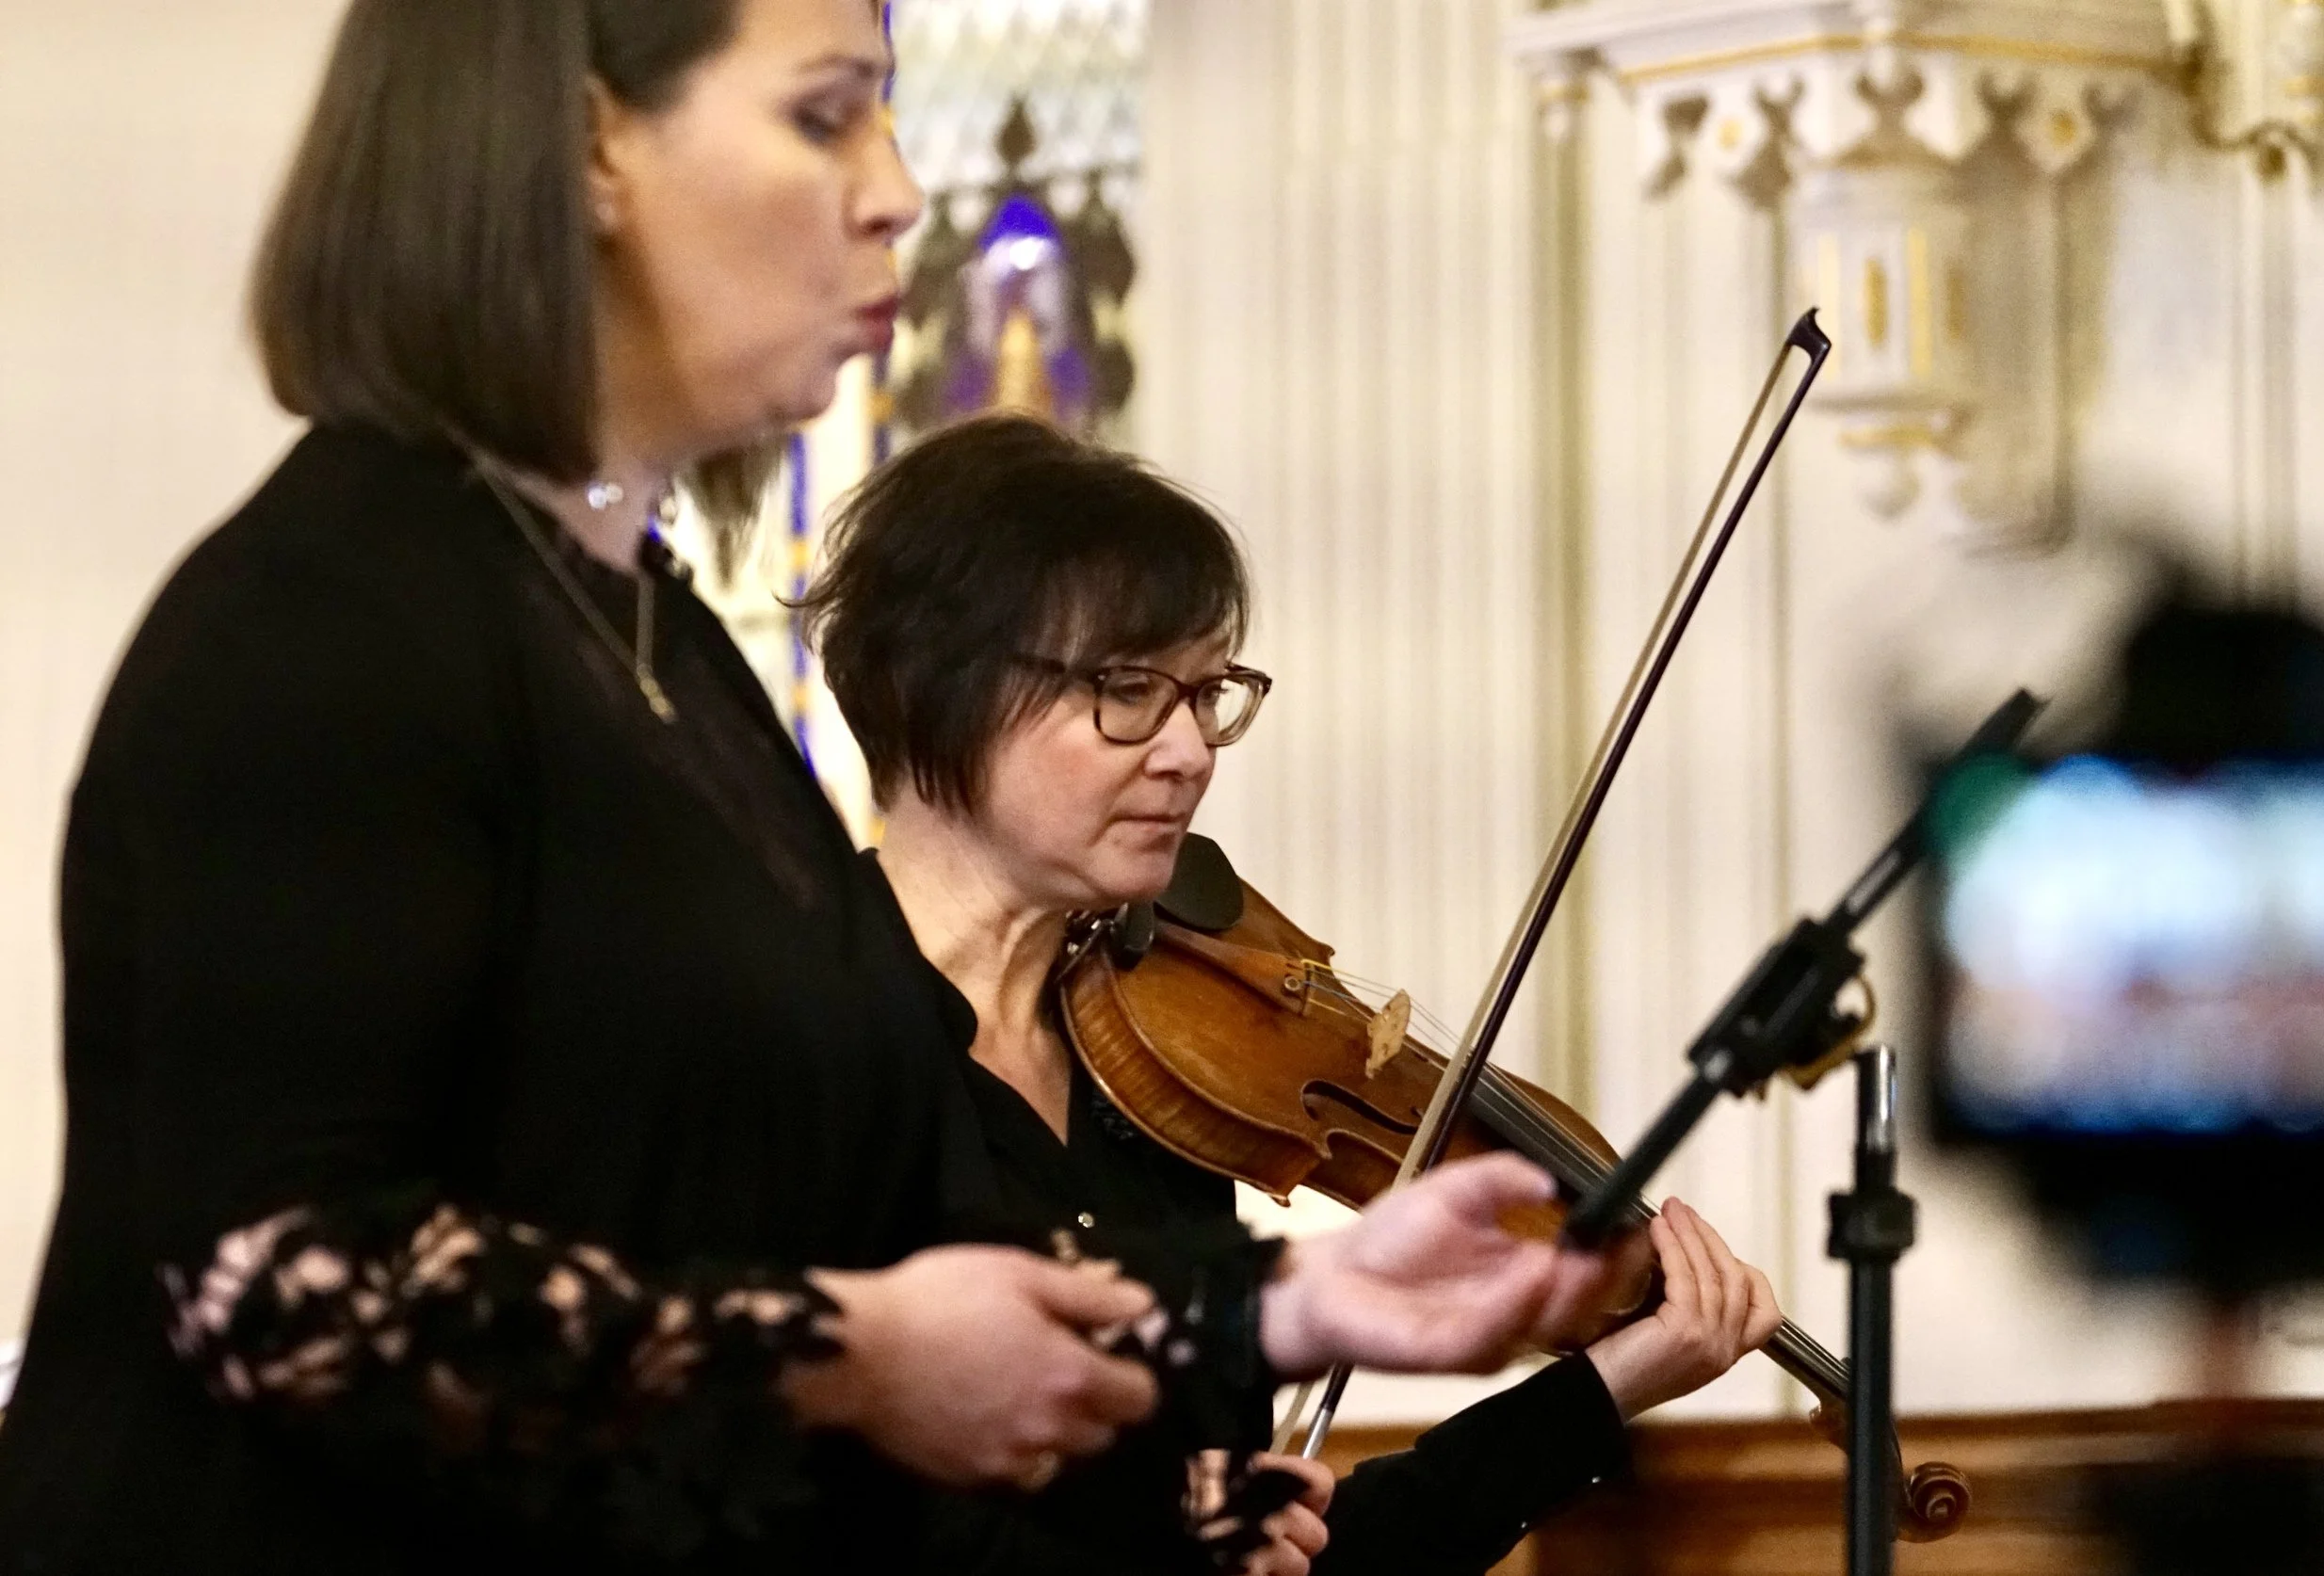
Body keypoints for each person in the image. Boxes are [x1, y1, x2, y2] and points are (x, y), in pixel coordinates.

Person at [0, 4, 1652, 1572]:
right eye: (823, 112)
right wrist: (860, 1356)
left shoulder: (662, 651)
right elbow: (283, 1287)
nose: (899, 193)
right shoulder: (332, 617)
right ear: (584, 149)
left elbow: (878, 1255)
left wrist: (1294, 1301)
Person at [801, 413, 1787, 1576]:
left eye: (1207, 693)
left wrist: (1604, 1388)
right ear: (934, 687)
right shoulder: (793, 1050)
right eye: (1127, 690)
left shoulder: (1155, 1081)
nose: (1188, 751)